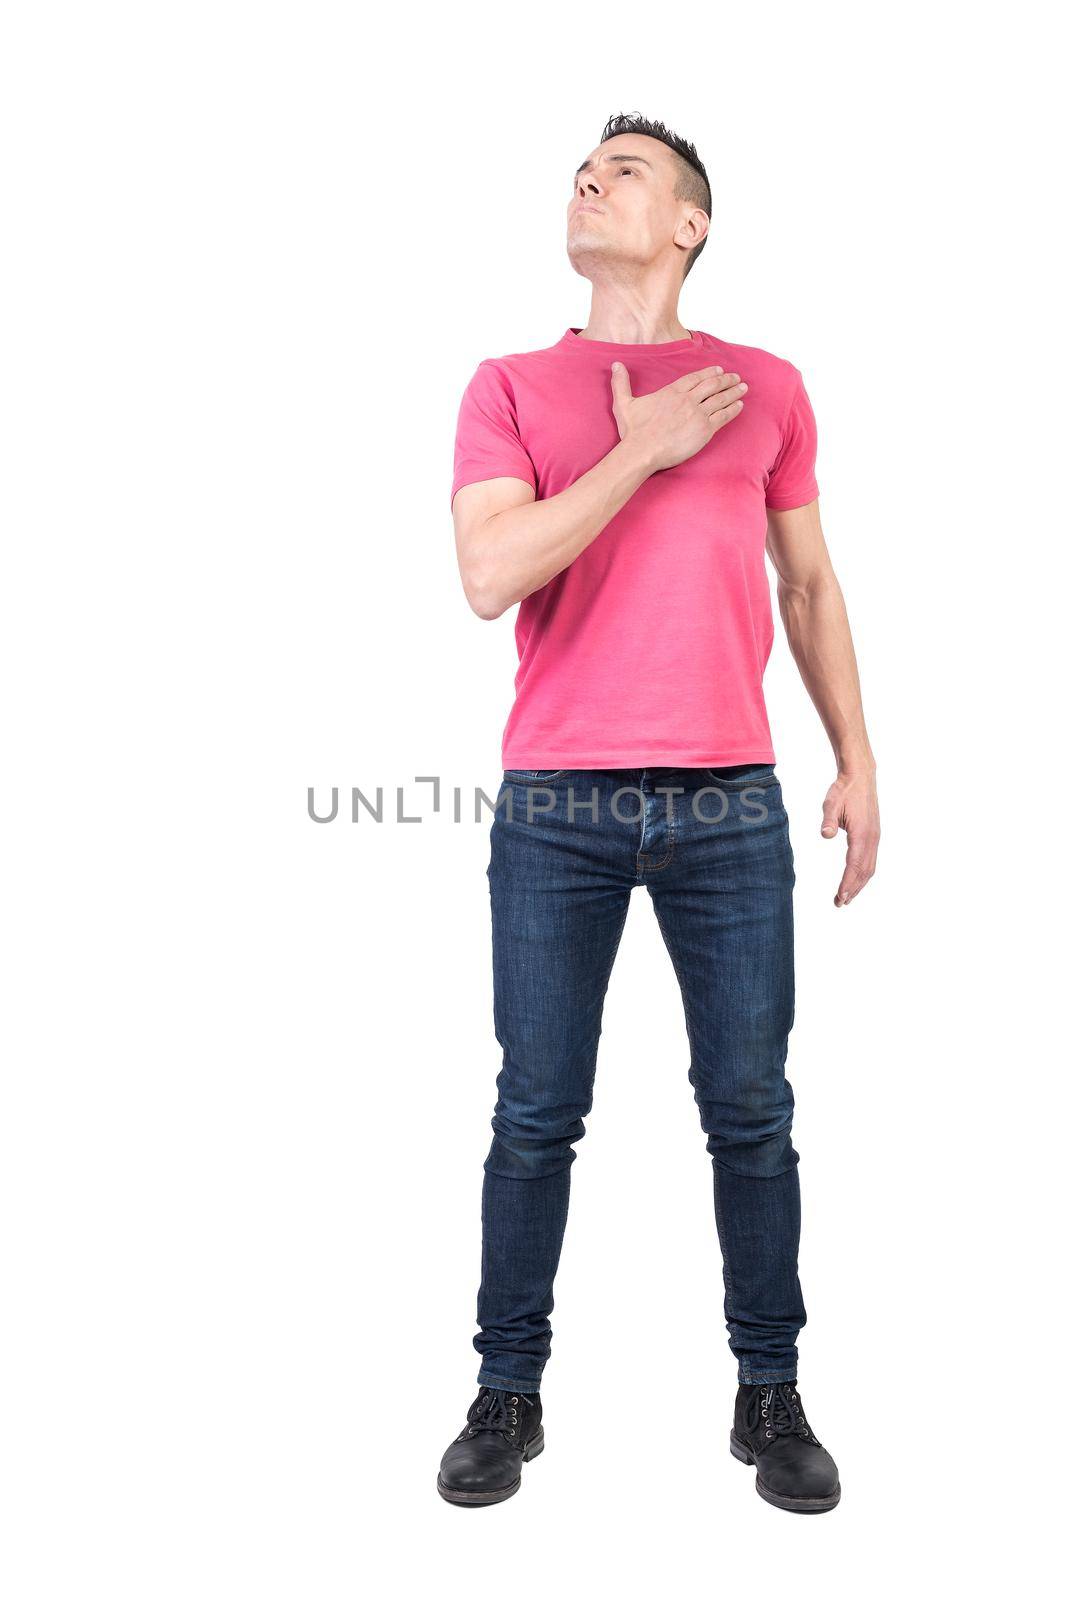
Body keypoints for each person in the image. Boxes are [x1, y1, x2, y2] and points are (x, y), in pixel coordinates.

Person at [438, 111, 879, 1514]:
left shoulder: (766, 385)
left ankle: (772, 1392)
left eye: (625, 169)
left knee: (751, 1112)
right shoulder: (507, 385)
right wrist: (637, 450)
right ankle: (509, 1393)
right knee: (535, 1112)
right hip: (559, 803)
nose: (590, 178)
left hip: (731, 809)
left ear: (688, 221)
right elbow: (490, 572)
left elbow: (809, 587)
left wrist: (859, 761)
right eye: (584, 166)